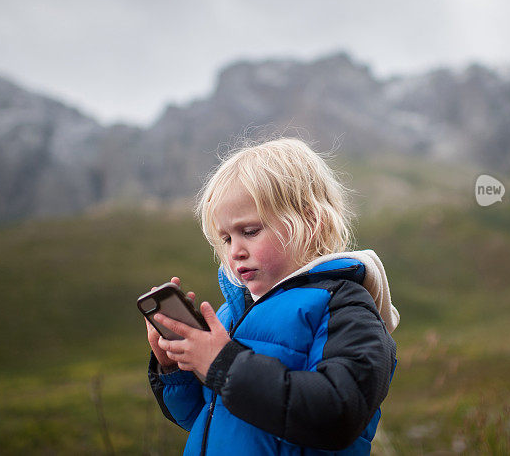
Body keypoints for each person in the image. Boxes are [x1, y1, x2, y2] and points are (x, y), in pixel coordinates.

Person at [144, 137, 399, 455]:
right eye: (225, 238)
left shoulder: (344, 307)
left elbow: (338, 414)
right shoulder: (230, 314)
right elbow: (206, 418)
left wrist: (222, 364)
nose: (235, 251)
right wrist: (173, 368)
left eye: (249, 231)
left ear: (310, 222)